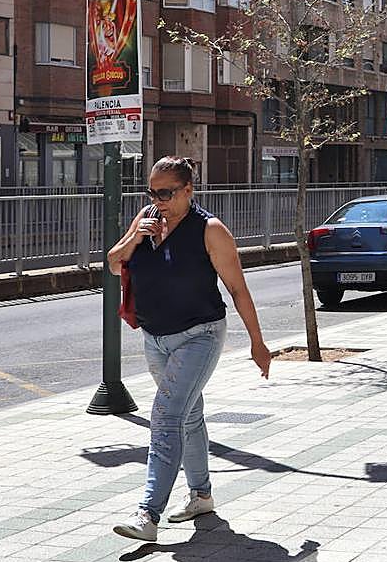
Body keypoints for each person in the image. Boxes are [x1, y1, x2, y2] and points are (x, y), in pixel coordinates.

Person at [106, 156, 272, 542]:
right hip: (155, 337)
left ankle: (148, 514)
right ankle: (201, 495)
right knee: (188, 414)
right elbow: (114, 265)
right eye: (152, 191)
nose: (158, 199)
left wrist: (258, 343)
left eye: (166, 193)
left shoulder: (210, 230)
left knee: (165, 417)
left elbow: (238, 289)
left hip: (200, 335)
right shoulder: (146, 219)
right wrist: (135, 238)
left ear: (188, 191)